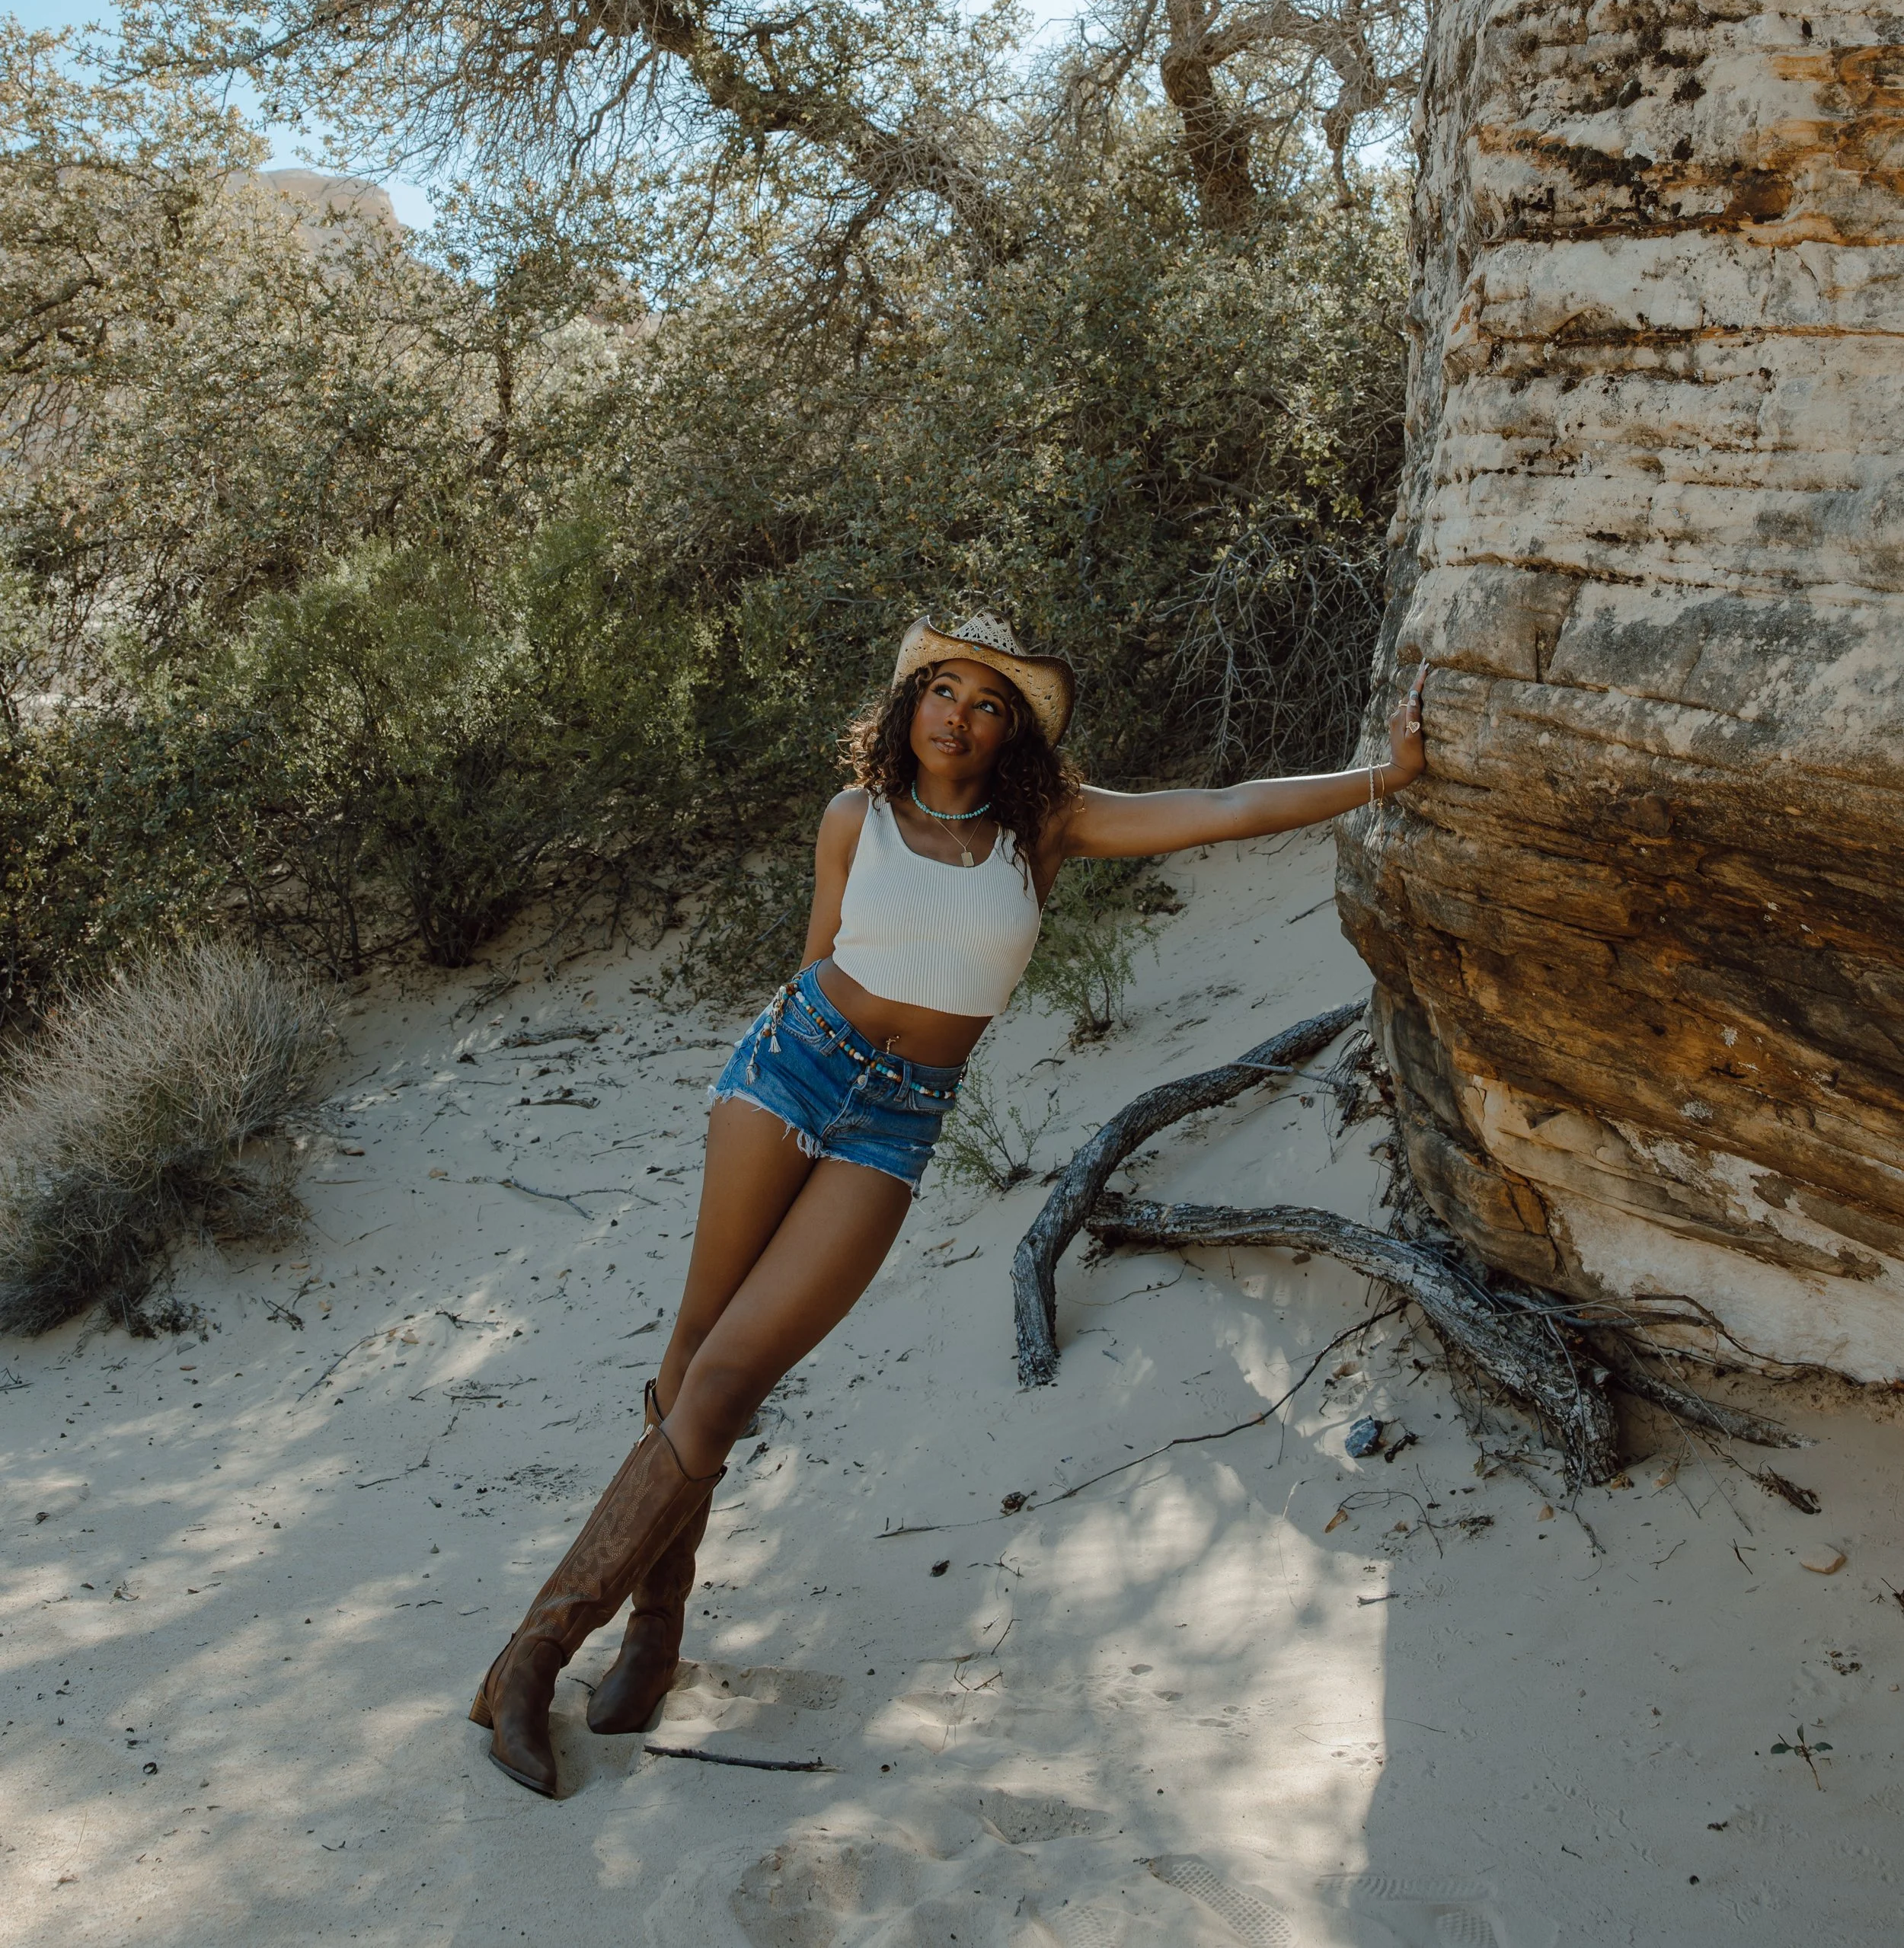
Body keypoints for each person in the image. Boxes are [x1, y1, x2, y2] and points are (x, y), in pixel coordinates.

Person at [471, 610, 1427, 1795]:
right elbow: (819, 956)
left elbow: (1225, 806)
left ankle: (571, 1649)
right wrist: (791, 1062)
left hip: (897, 1121)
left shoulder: (1047, 827)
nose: (959, 716)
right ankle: (594, 1645)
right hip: (789, 1069)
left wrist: (1386, 773)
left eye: (987, 702)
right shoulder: (853, 817)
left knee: (725, 1382)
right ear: (908, 701)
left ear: (1010, 730)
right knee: (691, 1353)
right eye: (942, 690)